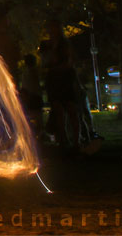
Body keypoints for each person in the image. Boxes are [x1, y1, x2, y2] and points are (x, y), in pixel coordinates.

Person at [44, 19, 80, 149]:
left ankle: (76, 140)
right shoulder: (48, 45)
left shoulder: (64, 45)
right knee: (59, 111)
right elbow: (46, 62)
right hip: (55, 81)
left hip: (65, 80)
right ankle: (63, 140)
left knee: (71, 110)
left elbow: (68, 62)